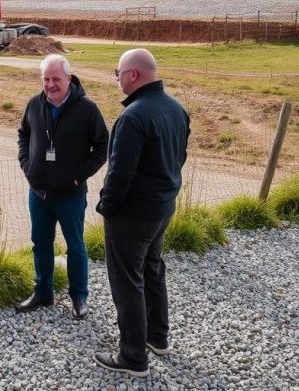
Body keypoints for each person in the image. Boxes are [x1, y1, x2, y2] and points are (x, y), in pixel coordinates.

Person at [94, 48, 190, 378]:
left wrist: (106, 207)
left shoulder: (133, 117)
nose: (116, 78)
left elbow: (119, 175)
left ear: (133, 75)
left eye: (118, 72)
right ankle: (157, 337)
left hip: (132, 215)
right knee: (152, 268)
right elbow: (180, 158)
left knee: (126, 281)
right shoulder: (176, 109)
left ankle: (133, 356)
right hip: (163, 208)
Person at [16, 54, 109, 318]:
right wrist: (27, 165)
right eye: (46, 79)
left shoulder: (87, 110)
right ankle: (43, 292)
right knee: (40, 243)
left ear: (69, 79)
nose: (50, 84)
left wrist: (78, 176)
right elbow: (23, 134)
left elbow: (102, 146)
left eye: (56, 79)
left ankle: (79, 297)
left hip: (70, 194)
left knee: (75, 246)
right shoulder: (34, 105)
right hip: (39, 193)